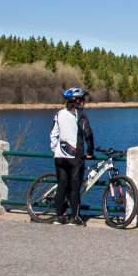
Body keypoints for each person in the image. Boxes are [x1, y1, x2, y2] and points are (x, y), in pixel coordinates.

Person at [50, 87, 95, 226]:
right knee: (75, 188)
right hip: (75, 156)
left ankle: (59, 217)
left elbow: (53, 134)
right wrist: (90, 151)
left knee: (61, 186)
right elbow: (88, 134)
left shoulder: (59, 114)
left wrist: (55, 150)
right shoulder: (80, 115)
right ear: (77, 101)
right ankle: (74, 218)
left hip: (59, 156)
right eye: (83, 100)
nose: (84, 102)